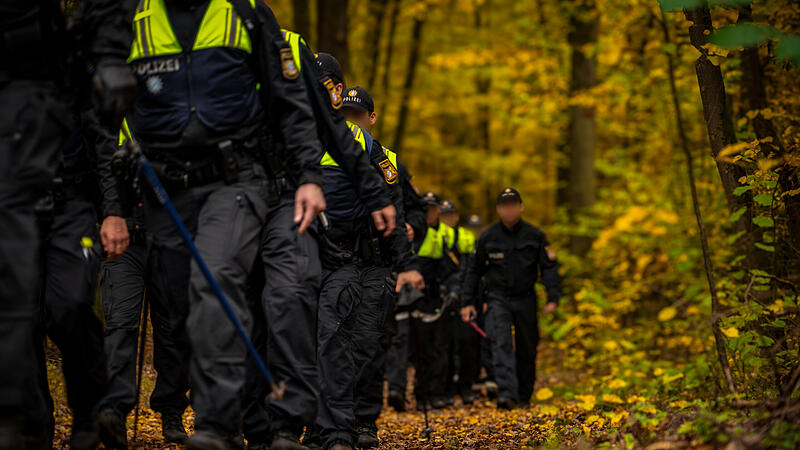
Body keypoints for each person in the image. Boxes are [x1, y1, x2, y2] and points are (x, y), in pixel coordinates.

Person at [121, 1, 330, 448]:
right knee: (184, 309)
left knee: (218, 280)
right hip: (166, 190)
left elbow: (292, 101)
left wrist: (310, 176)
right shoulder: (133, 16)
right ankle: (230, 417)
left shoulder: (247, 14)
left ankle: (220, 422)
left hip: (236, 180)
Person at [238, 39, 400, 450]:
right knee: (284, 340)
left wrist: (393, 257)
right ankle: (280, 427)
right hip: (285, 254)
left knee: (334, 343)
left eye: (324, 83)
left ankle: (336, 430)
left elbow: (384, 200)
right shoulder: (277, 126)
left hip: (341, 259)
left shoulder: (358, 142)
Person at [0, 1, 135, 448]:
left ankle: (89, 407)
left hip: (71, 205)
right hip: (15, 208)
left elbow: (103, 142)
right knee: (23, 321)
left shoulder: (70, 59)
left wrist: (113, 210)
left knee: (70, 306)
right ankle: (35, 427)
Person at [96, 123, 191, 447]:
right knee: (120, 324)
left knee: (173, 328)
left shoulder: (173, 108)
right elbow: (100, 166)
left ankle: (171, 411)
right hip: (123, 237)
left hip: (170, 234)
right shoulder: (112, 116)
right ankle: (114, 413)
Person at [339, 87, 423, 448]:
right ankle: (332, 420)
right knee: (333, 343)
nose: (351, 123)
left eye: (357, 117)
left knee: (369, 343)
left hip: (377, 263)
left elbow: (415, 209)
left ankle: (364, 421)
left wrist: (411, 228)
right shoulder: (325, 153)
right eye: (345, 116)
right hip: (337, 260)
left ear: (371, 118)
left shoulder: (389, 161)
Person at [460, 187, 561, 409]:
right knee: (500, 344)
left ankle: (524, 395)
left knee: (527, 347)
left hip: (526, 298)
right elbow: (474, 270)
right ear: (498, 209)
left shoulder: (535, 235)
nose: (509, 210)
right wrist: (466, 302)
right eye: (505, 206)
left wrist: (552, 297)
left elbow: (549, 267)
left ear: (521, 207)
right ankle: (507, 394)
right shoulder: (488, 236)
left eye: (513, 205)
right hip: (498, 298)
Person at [438, 200, 480, 406]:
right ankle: (445, 390)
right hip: (442, 298)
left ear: (456, 217)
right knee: (444, 346)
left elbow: (472, 267)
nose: (447, 219)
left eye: (450, 215)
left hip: (464, 297)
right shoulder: (434, 236)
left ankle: (466, 388)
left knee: (467, 345)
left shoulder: (466, 237)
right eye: (443, 216)